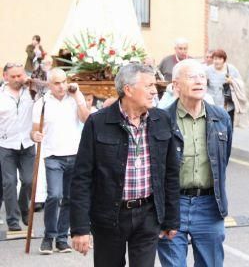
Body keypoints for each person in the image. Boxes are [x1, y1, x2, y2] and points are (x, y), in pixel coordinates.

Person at [70, 62, 180, 266]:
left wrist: (171, 218)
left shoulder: (162, 120)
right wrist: (80, 227)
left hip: (148, 214)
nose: (154, 91)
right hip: (109, 216)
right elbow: (81, 178)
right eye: (148, 86)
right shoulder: (97, 123)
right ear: (128, 90)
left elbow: (171, 173)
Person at [157, 59, 232, 267]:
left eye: (202, 77)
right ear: (176, 85)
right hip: (173, 204)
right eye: (191, 77)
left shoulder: (221, 118)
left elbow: (223, 160)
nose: (199, 81)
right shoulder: (161, 119)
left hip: (210, 204)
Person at [31, 68, 90, 253]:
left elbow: (86, 119)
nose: (62, 86)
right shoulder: (41, 103)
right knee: (54, 195)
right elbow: (33, 130)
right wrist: (35, 135)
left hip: (74, 154)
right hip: (53, 156)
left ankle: (62, 238)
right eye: (57, 83)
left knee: (69, 198)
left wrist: (79, 95)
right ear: (49, 84)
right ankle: (49, 237)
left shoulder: (74, 99)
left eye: (64, 81)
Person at [0, 62, 36, 231]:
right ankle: (13, 220)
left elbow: (48, 90)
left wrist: (33, 83)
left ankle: (24, 208)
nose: (16, 79)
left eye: (19, 75)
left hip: (27, 143)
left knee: (28, 181)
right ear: (5, 76)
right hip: (5, 144)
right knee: (9, 182)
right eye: (12, 76)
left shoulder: (32, 91)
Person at [206, 49, 245, 123]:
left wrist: (232, 81)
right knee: (214, 128)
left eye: (219, 59)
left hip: (227, 105)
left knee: (228, 127)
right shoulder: (208, 70)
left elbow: (241, 83)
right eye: (215, 59)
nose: (216, 61)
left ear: (224, 60)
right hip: (212, 106)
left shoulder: (231, 69)